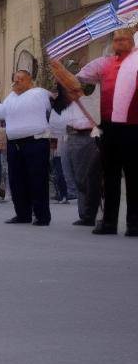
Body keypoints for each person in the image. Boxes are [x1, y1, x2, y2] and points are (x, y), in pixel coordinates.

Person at [73, 27, 138, 236]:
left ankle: (134, 224)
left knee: (133, 176)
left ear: (132, 42)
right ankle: (109, 222)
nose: (119, 42)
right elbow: (81, 77)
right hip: (108, 126)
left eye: (124, 39)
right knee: (110, 176)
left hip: (133, 125)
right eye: (116, 39)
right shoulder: (105, 63)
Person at [0, 70, 52, 226]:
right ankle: (22, 214)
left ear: (30, 81)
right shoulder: (11, 97)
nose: (16, 82)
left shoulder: (40, 93)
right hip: (15, 144)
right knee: (17, 180)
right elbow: (2, 113)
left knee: (37, 179)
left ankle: (42, 216)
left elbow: (55, 101)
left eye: (20, 79)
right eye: (15, 79)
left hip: (36, 142)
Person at [50, 83, 101, 224]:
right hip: (69, 137)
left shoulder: (85, 101)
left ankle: (89, 214)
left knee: (84, 176)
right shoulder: (64, 105)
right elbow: (57, 124)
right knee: (73, 176)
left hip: (85, 136)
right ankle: (84, 213)